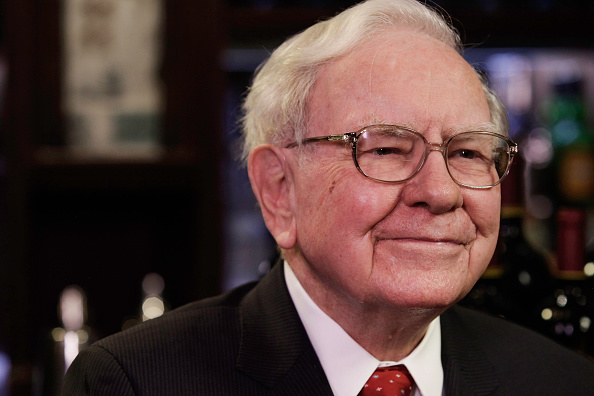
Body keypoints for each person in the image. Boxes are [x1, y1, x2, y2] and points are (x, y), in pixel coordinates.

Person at [62, 0, 594, 395]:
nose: (440, 191)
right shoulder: (136, 382)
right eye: (386, 149)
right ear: (279, 191)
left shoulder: (561, 382)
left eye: (470, 154)